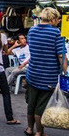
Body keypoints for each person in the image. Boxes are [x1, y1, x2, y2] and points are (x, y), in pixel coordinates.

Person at [25, 7, 67, 136]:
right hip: (48, 76)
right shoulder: (56, 33)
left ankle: (29, 129)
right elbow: (61, 55)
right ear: (53, 19)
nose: (59, 22)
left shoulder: (31, 31)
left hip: (32, 73)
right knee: (41, 106)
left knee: (31, 103)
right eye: (58, 19)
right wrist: (65, 70)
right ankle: (39, 132)